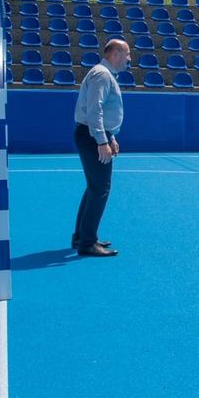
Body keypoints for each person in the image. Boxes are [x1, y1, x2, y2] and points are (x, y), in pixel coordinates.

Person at [72, 38, 130, 256]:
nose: (129, 59)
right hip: (91, 137)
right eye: (127, 54)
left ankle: (81, 237)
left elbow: (101, 112)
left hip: (94, 134)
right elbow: (94, 110)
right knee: (100, 189)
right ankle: (87, 242)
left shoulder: (103, 74)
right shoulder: (102, 75)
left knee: (93, 187)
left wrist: (110, 136)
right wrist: (102, 141)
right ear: (115, 54)